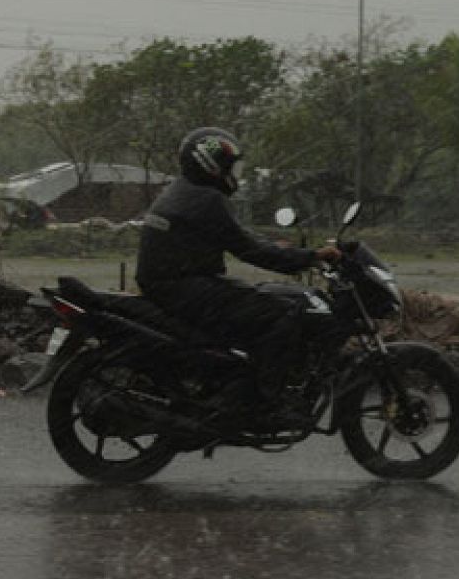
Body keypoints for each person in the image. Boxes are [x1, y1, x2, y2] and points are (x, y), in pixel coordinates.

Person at [135, 127, 342, 420]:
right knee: (285, 312)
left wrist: (280, 249)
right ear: (211, 164)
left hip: (171, 287)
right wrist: (309, 257)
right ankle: (265, 399)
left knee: (255, 301)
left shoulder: (183, 191)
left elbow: (238, 236)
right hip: (187, 289)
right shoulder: (206, 199)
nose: (235, 174)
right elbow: (248, 249)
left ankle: (235, 378)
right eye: (231, 167)